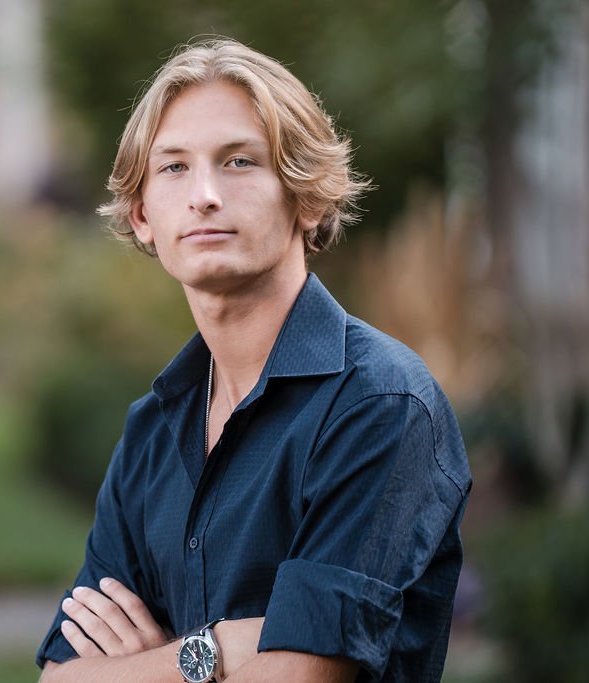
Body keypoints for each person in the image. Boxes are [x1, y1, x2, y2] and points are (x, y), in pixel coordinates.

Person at [35, 37, 471, 683]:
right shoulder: (153, 429)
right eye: (174, 167)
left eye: (239, 161)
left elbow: (299, 675)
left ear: (309, 197)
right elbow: (62, 678)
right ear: (142, 214)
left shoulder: (381, 403)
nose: (204, 194)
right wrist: (216, 652)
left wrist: (161, 661)